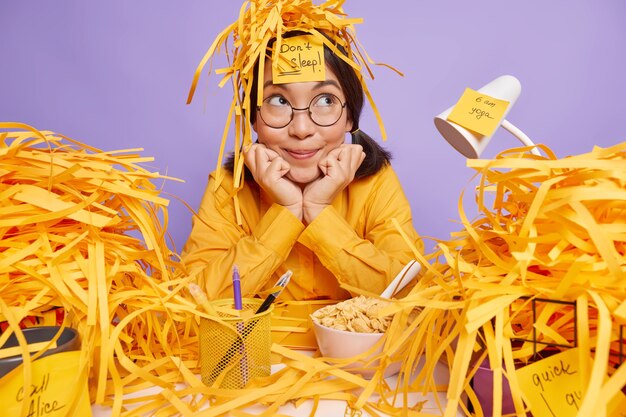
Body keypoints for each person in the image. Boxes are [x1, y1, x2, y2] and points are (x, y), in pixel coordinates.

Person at [182, 0, 423, 301]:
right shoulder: (227, 190)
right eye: (279, 101)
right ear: (253, 118)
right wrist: (285, 213)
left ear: (350, 117)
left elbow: (410, 293)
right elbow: (193, 299)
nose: (301, 128)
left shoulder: (376, 185)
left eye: (325, 101)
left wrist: (320, 212)